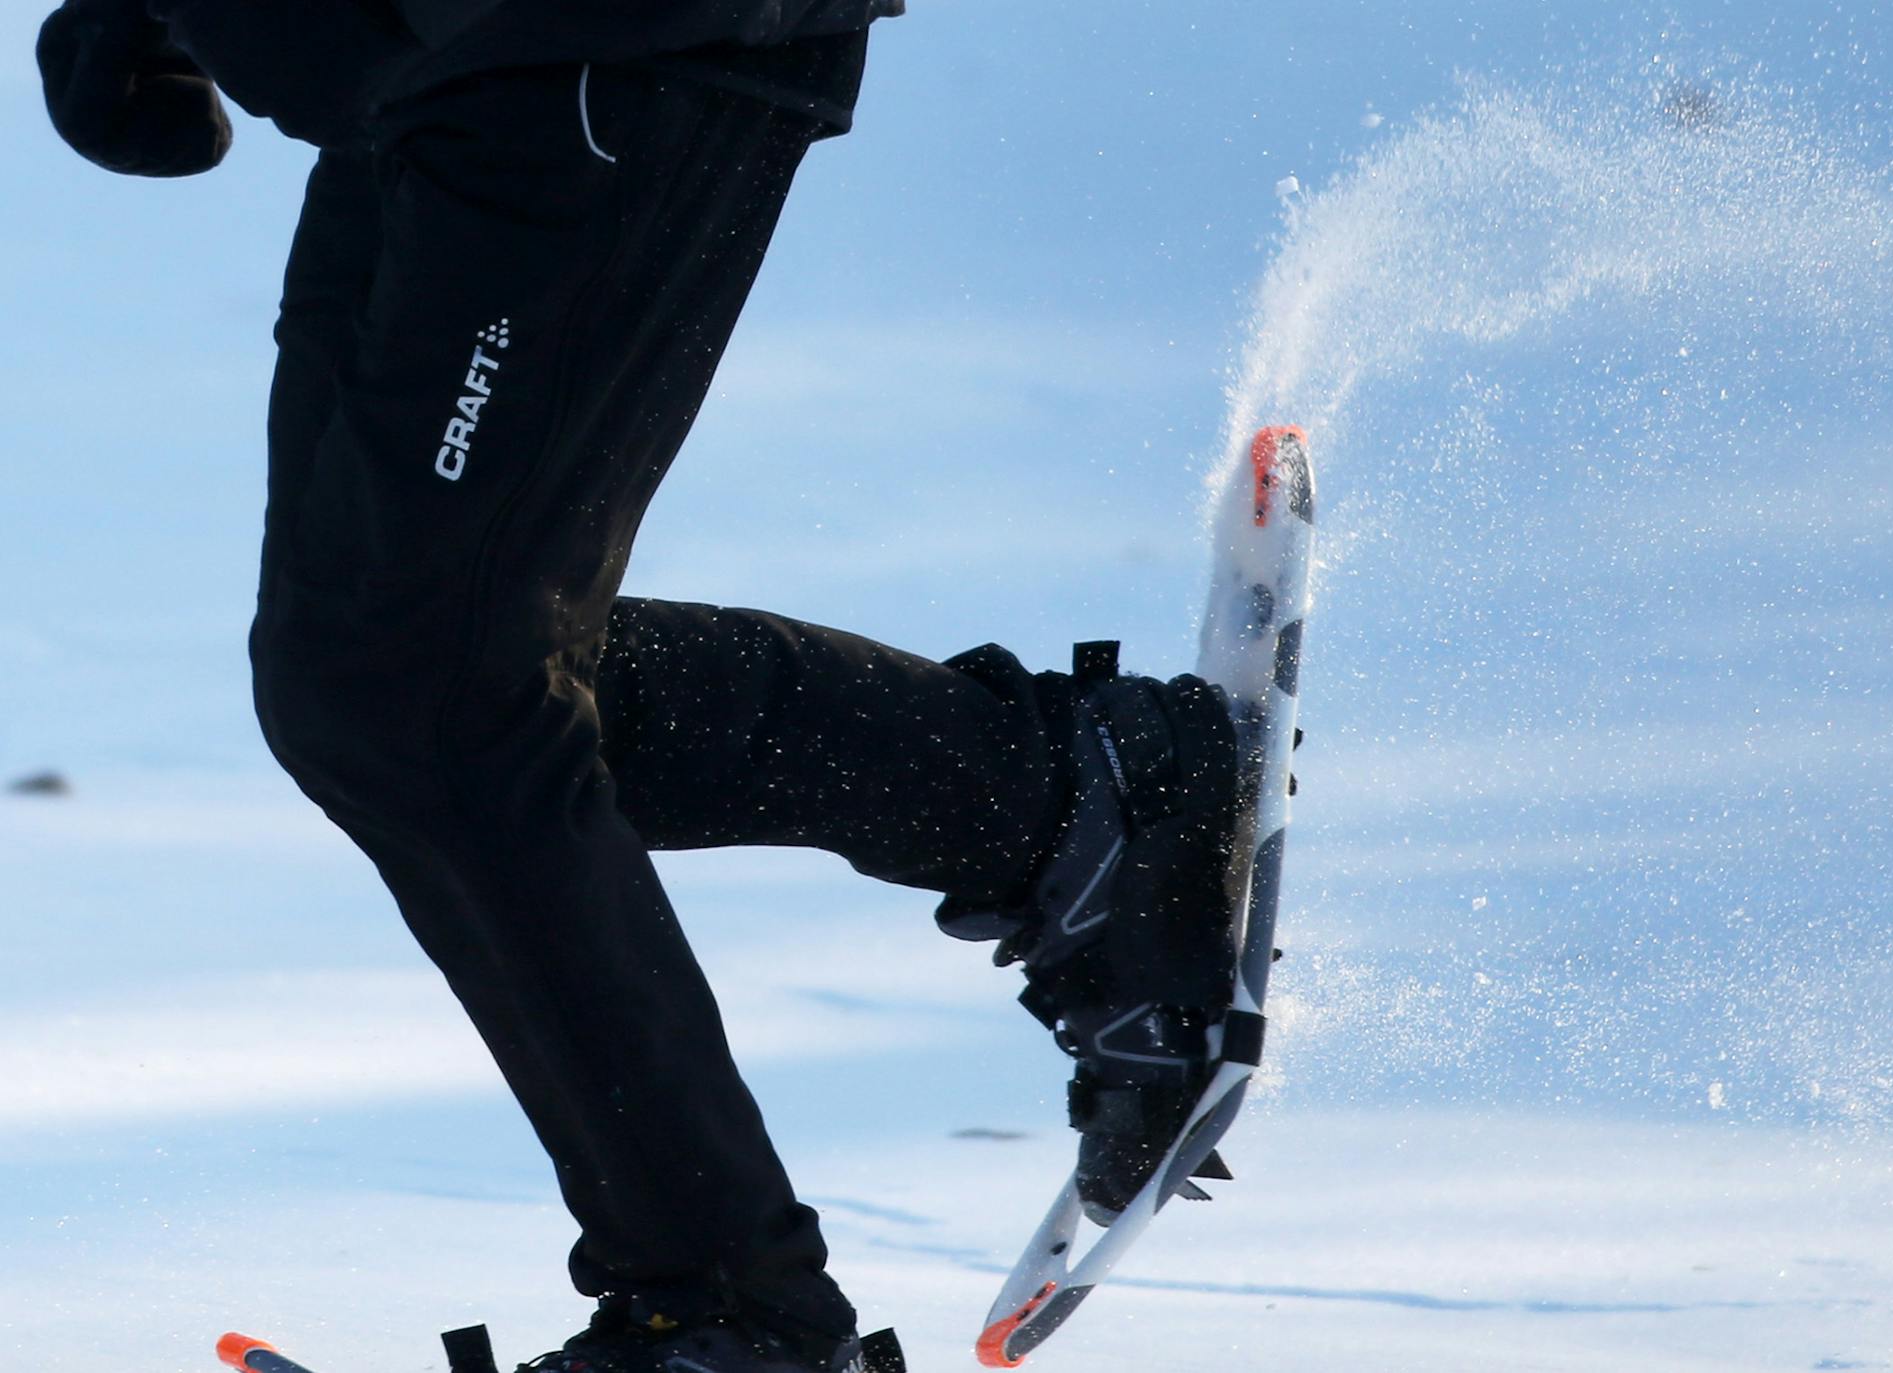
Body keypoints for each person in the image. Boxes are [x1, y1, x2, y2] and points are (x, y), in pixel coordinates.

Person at [37, 4, 1245, 1371]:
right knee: (362, 677)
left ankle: (732, 1310)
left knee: (433, 690)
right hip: (429, 68)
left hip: (591, 42)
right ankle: (1054, 802)